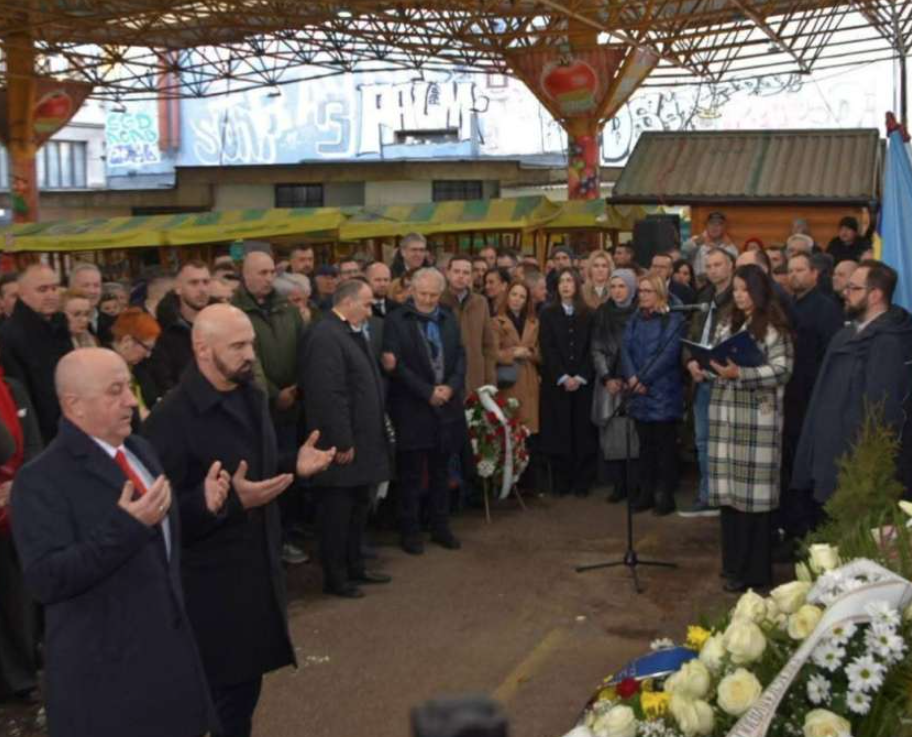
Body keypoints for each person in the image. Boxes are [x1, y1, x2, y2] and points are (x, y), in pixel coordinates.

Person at [144, 305, 335, 737]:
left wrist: (293, 463)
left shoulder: (251, 394)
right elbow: (156, 517)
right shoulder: (170, 420)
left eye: (251, 342)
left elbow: (252, 471)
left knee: (241, 707)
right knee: (216, 714)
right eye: (238, 346)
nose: (251, 353)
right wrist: (219, 505)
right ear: (202, 349)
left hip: (256, 582)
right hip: (209, 599)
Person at [11, 348, 220, 737]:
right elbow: (45, 578)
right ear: (74, 405)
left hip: (171, 665)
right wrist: (125, 528)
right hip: (106, 682)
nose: (129, 400)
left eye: (128, 387)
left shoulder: (139, 450)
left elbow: (159, 537)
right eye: (114, 391)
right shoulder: (40, 480)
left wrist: (202, 505)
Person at [792, 260, 912, 506]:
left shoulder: (889, 342)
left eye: (854, 288)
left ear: (875, 295)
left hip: (858, 466)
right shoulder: (845, 335)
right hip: (830, 454)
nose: (845, 293)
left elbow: (882, 411)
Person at [301, 279, 391, 598]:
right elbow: (329, 394)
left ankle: (355, 567)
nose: (370, 312)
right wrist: (341, 441)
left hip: (362, 442)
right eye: (366, 305)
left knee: (356, 511)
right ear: (348, 302)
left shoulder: (346, 332)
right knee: (337, 516)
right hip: (342, 446)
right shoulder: (326, 335)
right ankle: (336, 577)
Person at [708, 264, 794, 592]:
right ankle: (732, 566)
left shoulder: (774, 327)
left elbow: (783, 370)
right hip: (726, 419)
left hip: (757, 422)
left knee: (754, 504)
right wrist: (703, 366)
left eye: (745, 290)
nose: (739, 296)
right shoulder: (726, 321)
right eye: (736, 290)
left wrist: (741, 375)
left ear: (759, 291)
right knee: (730, 500)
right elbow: (717, 358)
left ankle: (755, 572)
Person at [382, 268, 467, 555]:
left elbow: (460, 356)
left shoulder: (447, 317)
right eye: (423, 294)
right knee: (411, 475)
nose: (428, 300)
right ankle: (410, 530)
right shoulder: (396, 321)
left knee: (442, 471)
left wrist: (450, 388)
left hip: (446, 407)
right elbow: (397, 366)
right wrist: (427, 391)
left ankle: (441, 526)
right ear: (412, 291)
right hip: (412, 408)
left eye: (433, 294)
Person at [233, 251, 307, 566]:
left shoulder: (287, 309)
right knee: (264, 475)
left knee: (289, 474)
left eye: (271, 272)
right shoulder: (236, 312)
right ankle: (267, 541)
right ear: (245, 275)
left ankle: (287, 534)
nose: (268, 278)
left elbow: (306, 349)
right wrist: (275, 394)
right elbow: (251, 362)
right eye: (261, 272)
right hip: (256, 409)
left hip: (292, 407)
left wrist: (298, 388)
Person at [621, 273, 684, 515]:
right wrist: (632, 378)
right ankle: (645, 493)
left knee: (664, 449)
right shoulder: (635, 319)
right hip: (638, 392)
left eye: (648, 291)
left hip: (663, 392)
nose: (643, 296)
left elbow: (669, 355)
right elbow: (624, 348)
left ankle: (665, 496)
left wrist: (643, 379)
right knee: (644, 448)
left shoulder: (673, 319)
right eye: (641, 291)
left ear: (659, 294)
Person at [680, 248, 734, 517]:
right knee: (703, 440)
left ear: (730, 267)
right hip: (701, 380)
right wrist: (689, 361)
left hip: (727, 380)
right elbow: (692, 333)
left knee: (726, 441)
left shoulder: (738, 298)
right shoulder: (704, 297)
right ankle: (706, 494)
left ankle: (726, 497)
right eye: (709, 265)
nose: (713, 270)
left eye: (718, 264)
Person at [0, 362, 43, 705]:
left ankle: (21, 673)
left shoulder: (12, 387)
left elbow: (31, 444)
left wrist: (17, 485)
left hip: (15, 510)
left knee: (18, 596)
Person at [538, 268, 596, 497]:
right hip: (557, 383)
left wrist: (581, 376)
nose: (565, 285)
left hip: (583, 382)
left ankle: (583, 481)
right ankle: (562, 481)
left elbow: (592, 347)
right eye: (562, 281)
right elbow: (547, 347)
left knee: (582, 432)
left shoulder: (589, 314)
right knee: (560, 431)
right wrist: (562, 376)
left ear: (577, 285)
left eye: (570, 281)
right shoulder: (548, 313)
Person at [0, 264, 72, 443]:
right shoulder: (10, 335)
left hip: (70, 425)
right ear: (22, 294)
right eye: (42, 289)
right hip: (41, 435)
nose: (51, 295)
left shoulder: (59, 326)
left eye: (55, 288)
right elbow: (21, 396)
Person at [591, 269, 639, 503]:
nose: (618, 291)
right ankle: (618, 485)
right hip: (609, 383)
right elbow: (596, 348)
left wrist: (630, 376)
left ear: (631, 287)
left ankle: (635, 485)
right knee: (612, 435)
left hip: (634, 382)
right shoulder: (602, 312)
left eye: (622, 286)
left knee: (634, 434)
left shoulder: (640, 312)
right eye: (614, 286)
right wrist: (608, 377)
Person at [149, 260, 211, 395]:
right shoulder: (164, 331)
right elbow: (164, 382)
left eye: (206, 282)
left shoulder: (224, 322)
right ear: (178, 288)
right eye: (194, 283)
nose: (202, 289)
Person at [441, 255, 496, 395]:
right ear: (448, 273)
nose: (461, 276)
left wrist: (490, 382)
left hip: (475, 379)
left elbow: (488, 345)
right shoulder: (438, 301)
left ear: (471, 276)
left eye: (465, 273)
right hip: (447, 381)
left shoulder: (480, 302)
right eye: (456, 271)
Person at [491, 280, 540, 433]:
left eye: (522, 296)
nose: (517, 299)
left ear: (527, 301)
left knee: (527, 431)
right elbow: (491, 353)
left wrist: (530, 353)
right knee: (509, 428)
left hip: (530, 380)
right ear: (507, 296)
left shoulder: (534, 323)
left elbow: (542, 352)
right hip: (508, 379)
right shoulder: (495, 322)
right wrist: (513, 353)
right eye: (514, 294)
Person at [110, 307, 163, 424]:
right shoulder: (106, 373)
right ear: (127, 341)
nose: (148, 355)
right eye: (146, 348)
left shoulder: (138, 369)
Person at [682, 211, 738, 280]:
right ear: (706, 226)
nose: (714, 227)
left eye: (719, 224)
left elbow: (735, 270)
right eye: (711, 223)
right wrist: (699, 240)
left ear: (724, 227)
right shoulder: (697, 241)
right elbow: (684, 249)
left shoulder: (730, 248)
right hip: (699, 285)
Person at [68, 262, 114, 345]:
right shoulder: (62, 325)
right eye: (86, 285)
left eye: (96, 285)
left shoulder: (113, 323)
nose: (92, 291)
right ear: (71, 288)